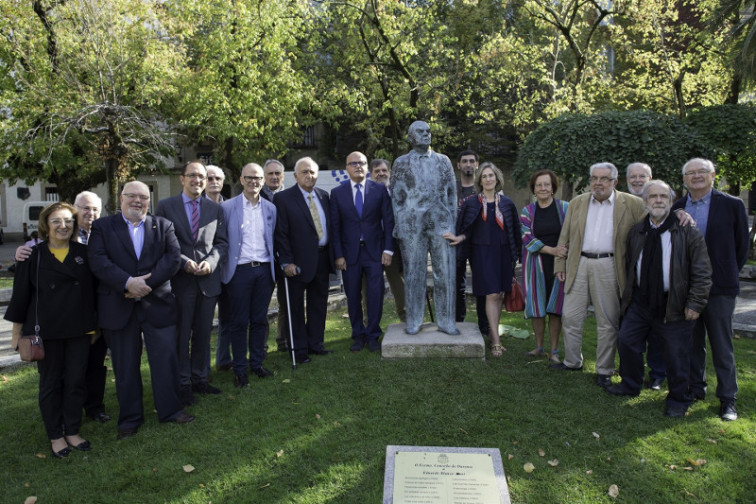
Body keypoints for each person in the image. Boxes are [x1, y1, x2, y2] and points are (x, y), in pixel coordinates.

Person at [88, 181, 193, 440]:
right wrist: (127, 283)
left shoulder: (163, 225)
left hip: (157, 304)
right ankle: (130, 419)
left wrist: (144, 284)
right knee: (125, 366)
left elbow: (172, 258)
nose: (138, 201)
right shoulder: (102, 227)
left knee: (166, 361)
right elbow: (98, 261)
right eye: (132, 196)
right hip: (118, 305)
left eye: (143, 197)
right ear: (121, 198)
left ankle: (170, 410)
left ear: (149, 200)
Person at [605, 180, 712, 418]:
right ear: (645, 202)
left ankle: (678, 398)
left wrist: (695, 303)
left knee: (676, 354)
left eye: (663, 196)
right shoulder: (638, 231)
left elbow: (703, 271)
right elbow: (631, 265)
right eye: (652, 196)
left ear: (671, 201)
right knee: (627, 341)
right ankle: (630, 385)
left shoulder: (687, 231)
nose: (658, 200)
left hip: (674, 304)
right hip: (641, 302)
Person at [6, 202, 97, 458]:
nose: (63, 225)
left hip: (79, 329)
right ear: (46, 225)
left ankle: (72, 430)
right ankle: (55, 435)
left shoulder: (84, 253)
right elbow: (21, 296)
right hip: (46, 331)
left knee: (76, 382)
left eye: (68, 220)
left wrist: (94, 327)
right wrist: (17, 333)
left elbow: (91, 293)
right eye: (56, 221)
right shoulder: (32, 256)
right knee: (50, 383)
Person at [15, 191, 112, 423]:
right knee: (59, 374)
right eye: (85, 209)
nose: (91, 213)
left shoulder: (105, 234)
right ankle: (60, 418)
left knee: (93, 365)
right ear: (76, 210)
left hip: (93, 315)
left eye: (95, 209)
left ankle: (93, 408)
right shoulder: (42, 247)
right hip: (56, 324)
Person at [552, 162, 646, 388]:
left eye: (604, 179)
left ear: (614, 181)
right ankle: (572, 361)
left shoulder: (632, 204)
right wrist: (559, 264)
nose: (598, 183)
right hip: (579, 264)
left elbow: (650, 227)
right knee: (571, 317)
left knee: (608, 321)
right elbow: (564, 237)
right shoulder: (578, 203)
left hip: (609, 265)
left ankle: (604, 370)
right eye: (594, 178)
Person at [671, 158, 749, 421]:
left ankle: (728, 399)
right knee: (693, 343)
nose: (696, 176)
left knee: (721, 344)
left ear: (713, 175)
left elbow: (741, 247)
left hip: (720, 288)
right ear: (684, 179)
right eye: (690, 173)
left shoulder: (732, 204)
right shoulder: (678, 207)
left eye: (701, 172)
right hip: (686, 288)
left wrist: (727, 272)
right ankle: (696, 388)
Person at [155, 161, 228, 404]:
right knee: (182, 335)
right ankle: (182, 383)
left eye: (202, 177)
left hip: (207, 281)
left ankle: (201, 379)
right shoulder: (165, 206)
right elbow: (163, 242)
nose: (198, 180)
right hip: (181, 281)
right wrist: (184, 261)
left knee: (203, 334)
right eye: (193, 176)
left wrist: (211, 262)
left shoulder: (214, 208)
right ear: (182, 179)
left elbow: (221, 243)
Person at [444, 163, 522, 357]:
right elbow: (466, 229)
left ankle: (493, 333)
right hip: (481, 255)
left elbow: (514, 232)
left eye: (491, 176)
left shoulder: (507, 203)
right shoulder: (472, 203)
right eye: (484, 176)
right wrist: (459, 238)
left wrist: (517, 257)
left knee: (499, 295)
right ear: (480, 180)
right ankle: (495, 341)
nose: (488, 179)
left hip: (503, 254)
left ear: (497, 179)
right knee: (491, 294)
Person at [391, 121, 459, 335]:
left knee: (445, 273)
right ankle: (414, 320)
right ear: (411, 137)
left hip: (442, 224)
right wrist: (401, 224)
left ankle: (446, 321)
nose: (426, 134)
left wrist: (452, 225)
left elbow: (452, 195)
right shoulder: (401, 163)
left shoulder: (443, 161)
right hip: (412, 226)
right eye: (420, 131)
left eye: (428, 131)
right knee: (413, 273)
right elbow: (396, 197)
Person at [220, 163, 278, 387]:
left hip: (264, 270)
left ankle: (256, 364)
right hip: (240, 271)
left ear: (262, 181)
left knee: (259, 320)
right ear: (241, 180)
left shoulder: (270, 208)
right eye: (249, 178)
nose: (254, 182)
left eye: (257, 178)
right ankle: (240, 369)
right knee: (239, 322)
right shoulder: (228, 207)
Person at [331, 151, 394, 352]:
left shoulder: (379, 190)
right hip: (349, 255)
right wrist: (338, 254)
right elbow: (335, 226)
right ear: (346, 168)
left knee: (375, 295)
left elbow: (388, 221)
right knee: (352, 295)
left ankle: (374, 334)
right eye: (353, 163)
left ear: (367, 167)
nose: (358, 166)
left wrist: (388, 250)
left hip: (374, 253)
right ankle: (358, 335)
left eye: (362, 163)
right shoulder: (337, 193)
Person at [274, 157, 334, 364]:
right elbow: (281, 234)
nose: (310, 176)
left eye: (313, 172)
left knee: (319, 305)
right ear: (295, 176)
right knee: (296, 308)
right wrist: (287, 262)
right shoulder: (283, 199)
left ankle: (316, 344)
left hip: (322, 259)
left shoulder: (324, 196)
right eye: (305, 172)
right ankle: (298, 350)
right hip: (296, 265)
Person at [624, 162, 666, 390]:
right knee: (630, 331)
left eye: (642, 176)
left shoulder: (662, 203)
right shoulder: (622, 202)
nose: (637, 180)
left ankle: (658, 373)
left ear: (650, 177)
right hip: (631, 279)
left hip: (660, 282)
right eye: (633, 176)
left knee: (658, 333)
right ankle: (631, 373)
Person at [520, 169, 569, 364]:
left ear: (553, 187)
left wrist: (561, 254)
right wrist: (552, 250)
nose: (543, 188)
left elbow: (572, 234)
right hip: (536, 265)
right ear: (534, 188)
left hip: (559, 266)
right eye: (539, 185)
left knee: (556, 308)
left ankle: (554, 350)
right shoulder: (528, 211)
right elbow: (526, 238)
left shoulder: (565, 208)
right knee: (537, 306)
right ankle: (539, 347)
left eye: (546, 184)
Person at [366, 158, 406, 322]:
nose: (381, 174)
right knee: (369, 286)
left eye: (384, 170)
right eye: (377, 171)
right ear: (371, 174)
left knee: (398, 282)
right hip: (371, 246)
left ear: (390, 173)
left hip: (394, 245)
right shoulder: (365, 194)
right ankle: (369, 323)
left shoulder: (399, 193)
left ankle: (406, 317)